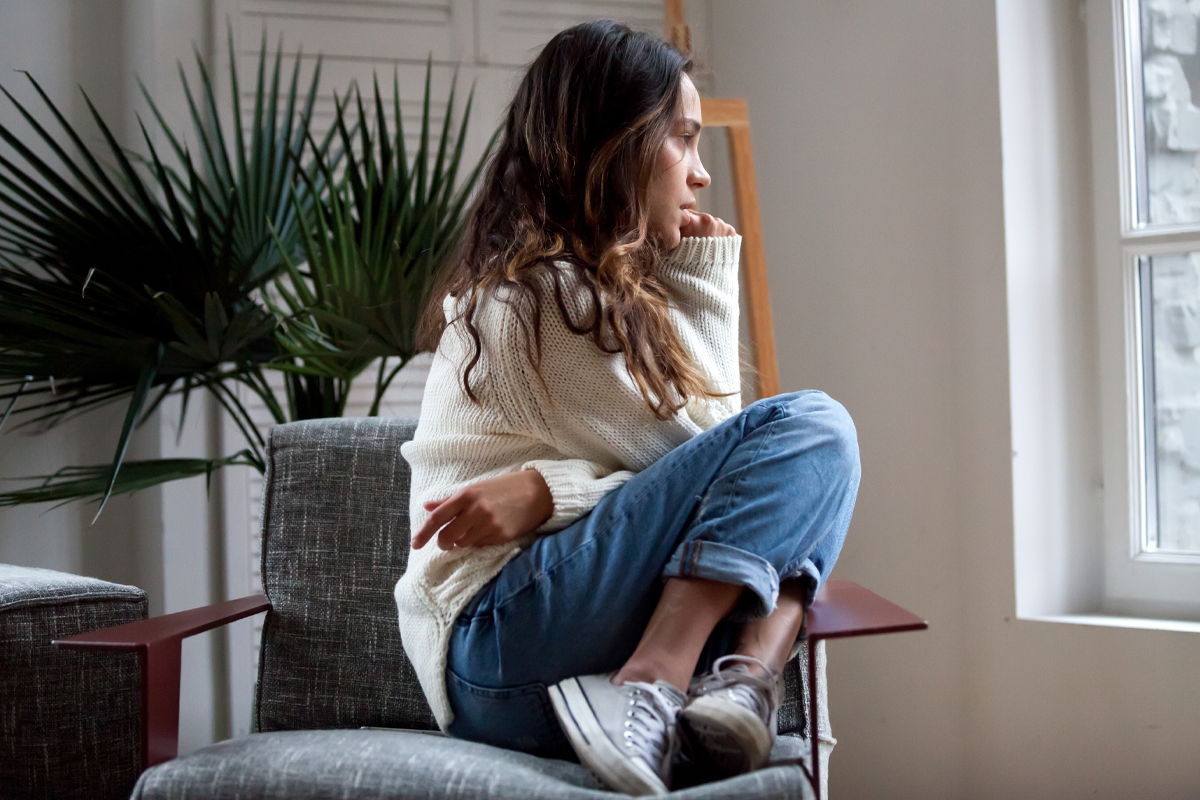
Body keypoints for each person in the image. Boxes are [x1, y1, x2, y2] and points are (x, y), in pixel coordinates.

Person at [394, 19, 860, 796]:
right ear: (617, 145)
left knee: (799, 484)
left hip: (541, 652)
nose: (701, 175)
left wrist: (550, 492)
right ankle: (669, 677)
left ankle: (737, 687)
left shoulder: (600, 296)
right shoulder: (540, 299)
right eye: (682, 140)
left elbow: (726, 492)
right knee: (816, 431)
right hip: (501, 640)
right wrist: (708, 277)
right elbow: (724, 455)